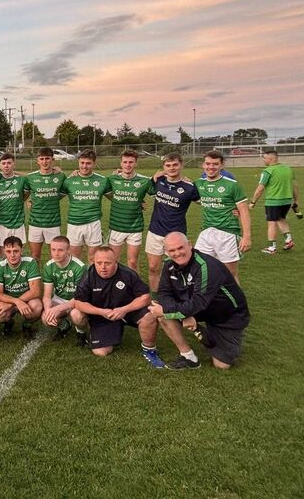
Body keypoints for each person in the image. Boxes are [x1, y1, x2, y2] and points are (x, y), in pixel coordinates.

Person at [148, 232, 250, 370]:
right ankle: (189, 357)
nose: (177, 253)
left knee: (222, 365)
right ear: (166, 251)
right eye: (172, 250)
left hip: (228, 315)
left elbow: (199, 302)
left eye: (180, 248)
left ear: (190, 244)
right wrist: (176, 312)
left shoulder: (205, 266)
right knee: (160, 311)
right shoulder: (169, 265)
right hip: (200, 308)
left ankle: (199, 328)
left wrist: (172, 311)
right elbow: (164, 293)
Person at [71, 246, 166, 367]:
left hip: (127, 310)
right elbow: (79, 302)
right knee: (101, 351)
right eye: (99, 263)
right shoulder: (89, 275)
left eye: (107, 263)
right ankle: (89, 332)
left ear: (116, 261)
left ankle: (149, 350)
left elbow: (145, 297)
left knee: (149, 316)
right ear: (94, 261)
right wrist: (101, 312)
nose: (103, 267)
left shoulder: (128, 274)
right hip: (104, 315)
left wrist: (124, 309)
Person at [145, 152, 200, 292]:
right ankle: (156, 299)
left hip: (176, 234)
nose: (172, 168)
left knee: (180, 269)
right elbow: (140, 190)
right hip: (155, 231)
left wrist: (232, 209)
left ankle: (180, 297)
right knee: (153, 268)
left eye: (175, 165)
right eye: (168, 165)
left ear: (181, 165)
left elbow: (207, 203)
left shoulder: (190, 187)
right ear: (164, 167)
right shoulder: (158, 180)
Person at [194, 150, 251, 281]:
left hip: (228, 233)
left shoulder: (232, 185)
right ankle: (207, 301)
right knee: (200, 270)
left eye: (215, 164)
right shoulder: (198, 183)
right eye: (208, 164)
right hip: (206, 232)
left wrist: (246, 237)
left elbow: (244, 211)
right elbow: (188, 195)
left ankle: (237, 302)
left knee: (229, 275)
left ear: (222, 165)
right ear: (203, 165)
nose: (211, 167)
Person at [107, 149, 154, 271]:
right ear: (121, 163)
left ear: (136, 163)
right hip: (116, 226)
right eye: (125, 162)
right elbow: (105, 192)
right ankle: (114, 287)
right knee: (113, 260)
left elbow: (160, 192)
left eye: (131, 162)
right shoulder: (112, 179)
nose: (128, 165)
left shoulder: (144, 181)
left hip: (135, 227)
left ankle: (134, 288)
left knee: (132, 262)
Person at [60, 149, 111, 261]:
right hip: (74, 223)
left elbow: (115, 197)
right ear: (78, 162)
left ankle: (91, 279)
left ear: (94, 163)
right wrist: (33, 200)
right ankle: (78, 279)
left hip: (93, 223)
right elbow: (54, 197)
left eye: (88, 163)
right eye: (82, 163)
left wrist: (138, 201)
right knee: (74, 259)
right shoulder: (69, 180)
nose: (84, 166)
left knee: (93, 259)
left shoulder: (102, 180)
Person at [0, 236, 42, 339]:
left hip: (27, 300)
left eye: (16, 251)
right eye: (9, 251)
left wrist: (17, 302)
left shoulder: (30, 262)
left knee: (37, 306)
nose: (12, 255)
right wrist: (15, 302)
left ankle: (27, 325)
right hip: (8, 300)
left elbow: (35, 291)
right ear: (4, 251)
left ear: (21, 250)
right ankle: (9, 322)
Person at [40, 235, 87, 343]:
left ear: (68, 250)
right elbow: (47, 295)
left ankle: (81, 333)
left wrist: (58, 309)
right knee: (45, 318)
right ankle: (65, 324)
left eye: (60, 250)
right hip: (60, 298)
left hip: (78, 300)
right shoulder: (49, 266)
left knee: (77, 316)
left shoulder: (79, 267)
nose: (56, 253)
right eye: (53, 249)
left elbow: (79, 297)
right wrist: (48, 310)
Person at [250, 149, 298, 254]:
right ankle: (288, 240)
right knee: (281, 219)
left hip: (273, 201)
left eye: (264, 158)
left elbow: (260, 189)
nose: (263, 160)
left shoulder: (268, 171)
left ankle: (272, 248)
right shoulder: (288, 169)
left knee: (271, 223)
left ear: (271, 159)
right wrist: (296, 200)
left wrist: (253, 202)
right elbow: (294, 186)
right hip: (287, 201)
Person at [25, 148, 66, 264]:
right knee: (35, 256)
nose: (44, 162)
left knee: (55, 257)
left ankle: (53, 281)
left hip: (53, 223)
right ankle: (35, 281)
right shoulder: (31, 178)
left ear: (52, 159)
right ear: (37, 161)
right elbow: (27, 194)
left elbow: (63, 193)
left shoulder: (60, 176)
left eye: (47, 158)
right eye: (41, 159)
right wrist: (30, 200)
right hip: (35, 223)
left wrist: (50, 198)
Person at [0, 153, 29, 252]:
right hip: (1, 223)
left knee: (18, 254)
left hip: (18, 222)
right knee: (4, 254)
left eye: (9, 163)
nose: (6, 165)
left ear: (14, 164)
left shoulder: (21, 180)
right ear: (0, 165)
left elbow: (31, 180)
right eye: (3, 163)